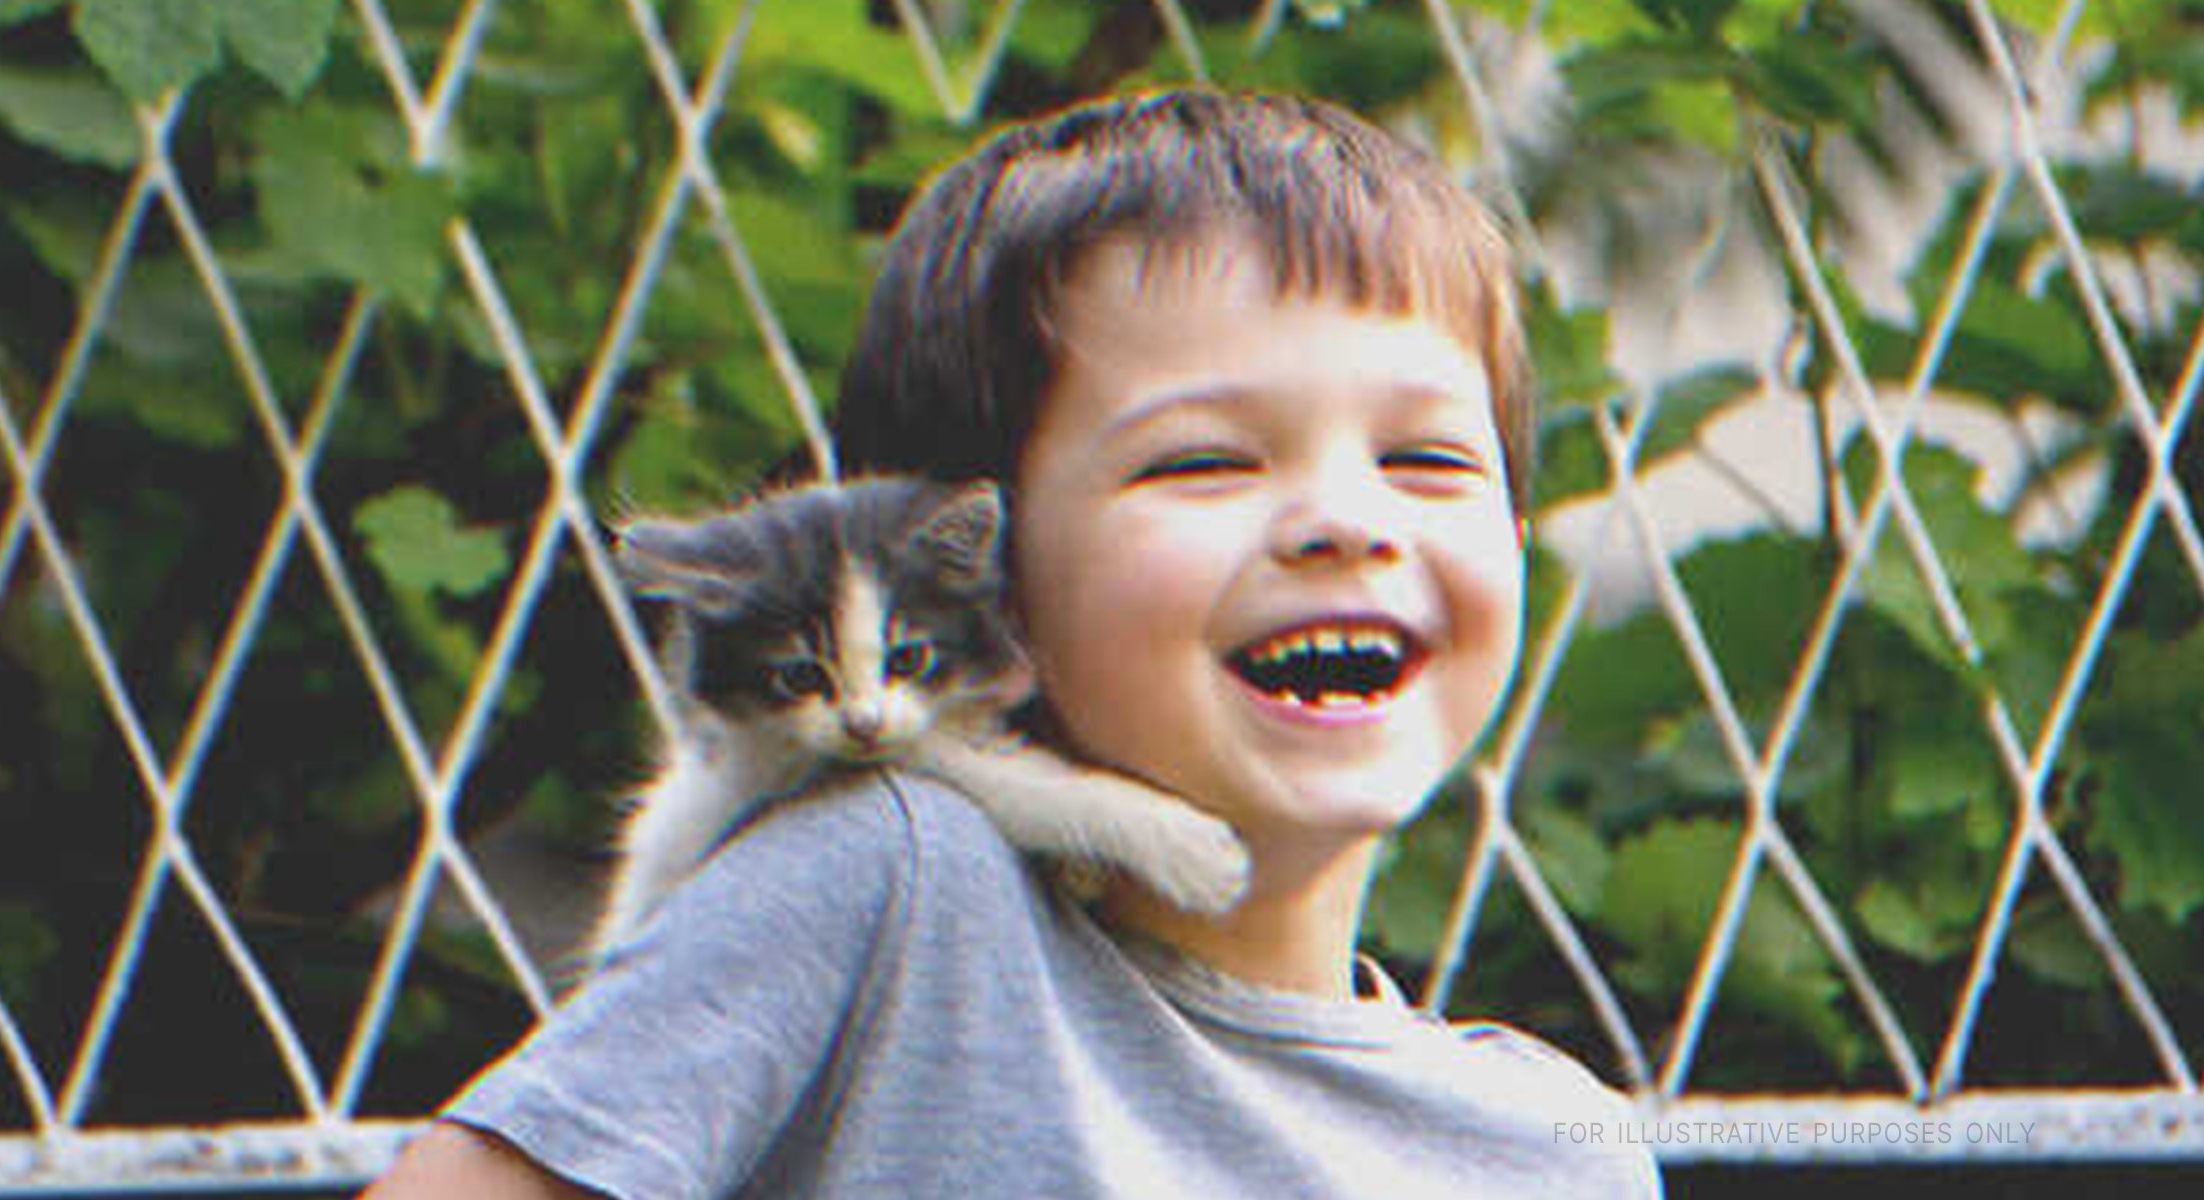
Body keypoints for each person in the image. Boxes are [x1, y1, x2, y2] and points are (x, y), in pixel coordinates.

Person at [362, 88, 1661, 1199]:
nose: (1343, 520)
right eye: (1205, 462)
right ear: (973, 572)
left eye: (1425, 457)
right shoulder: (903, 882)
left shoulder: (1560, 1146)